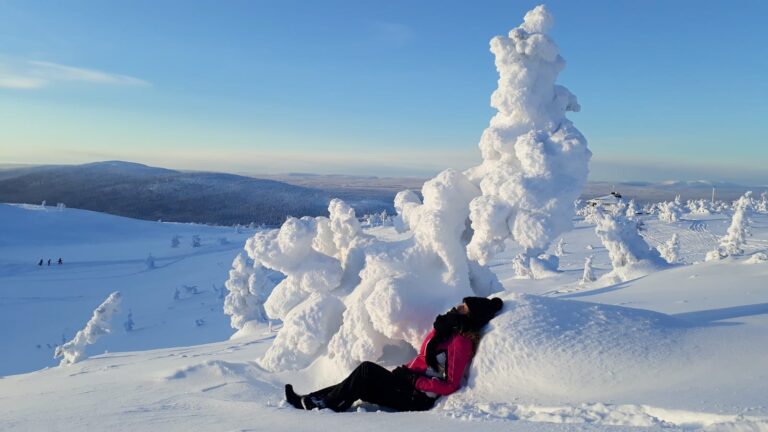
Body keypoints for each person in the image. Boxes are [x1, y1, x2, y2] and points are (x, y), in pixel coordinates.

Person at [284, 296, 503, 412]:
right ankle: (311, 399)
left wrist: (415, 380)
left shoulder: (460, 342)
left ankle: (324, 405)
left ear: (470, 317)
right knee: (360, 381)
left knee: (366, 371)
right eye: (461, 305)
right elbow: (424, 357)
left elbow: (450, 384)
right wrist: (408, 370)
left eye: (464, 308)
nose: (457, 308)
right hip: (408, 383)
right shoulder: (446, 333)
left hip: (418, 398)